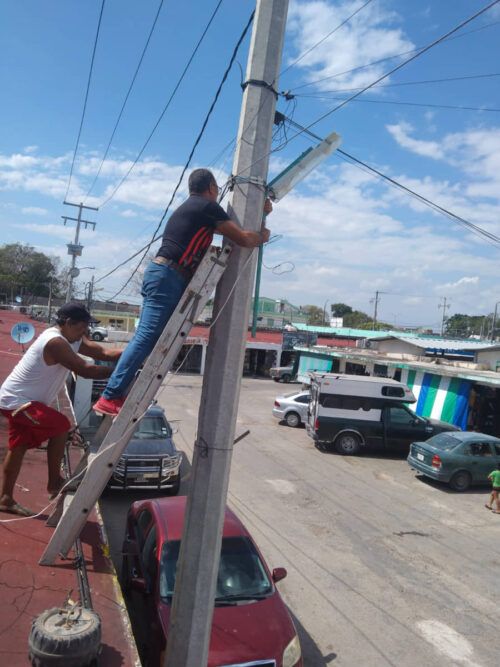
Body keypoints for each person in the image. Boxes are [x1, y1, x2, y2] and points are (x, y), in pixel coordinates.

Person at [93, 168, 272, 416]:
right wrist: (262, 235)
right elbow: (242, 237)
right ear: (211, 187)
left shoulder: (195, 210)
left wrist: (260, 213)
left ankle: (114, 393)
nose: (218, 193)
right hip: (168, 277)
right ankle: (110, 395)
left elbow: (228, 230)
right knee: (146, 338)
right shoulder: (206, 207)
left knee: (148, 338)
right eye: (217, 189)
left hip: (165, 276)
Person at [0, 303, 121, 517]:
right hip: (17, 401)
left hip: (25, 401)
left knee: (17, 448)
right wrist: (119, 375)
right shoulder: (55, 342)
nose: (85, 332)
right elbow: (85, 369)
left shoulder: (72, 338)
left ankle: (5, 498)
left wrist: (135, 354)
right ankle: (54, 482)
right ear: (67, 323)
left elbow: (102, 351)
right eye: (82, 327)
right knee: (61, 426)